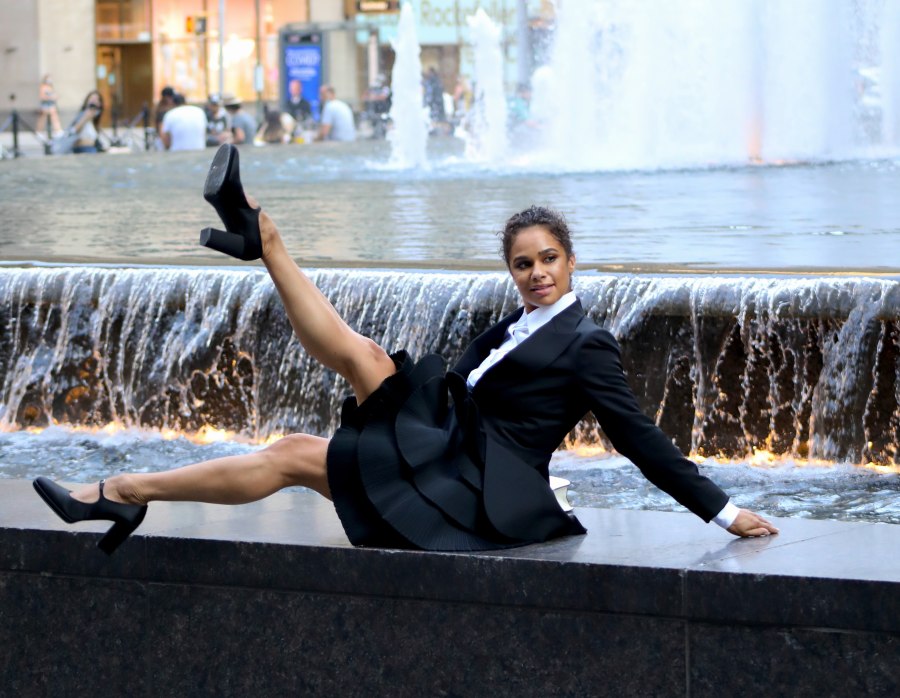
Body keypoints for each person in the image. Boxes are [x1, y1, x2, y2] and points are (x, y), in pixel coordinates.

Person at [33, 144, 779, 554]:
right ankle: (125, 493)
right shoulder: (512, 325)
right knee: (302, 441)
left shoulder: (586, 343)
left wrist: (723, 512)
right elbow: (461, 385)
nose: (537, 273)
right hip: (448, 454)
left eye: (549, 258)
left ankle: (265, 242)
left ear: (571, 261)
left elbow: (641, 437)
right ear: (511, 270)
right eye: (523, 263)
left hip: (475, 490)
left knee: (358, 373)